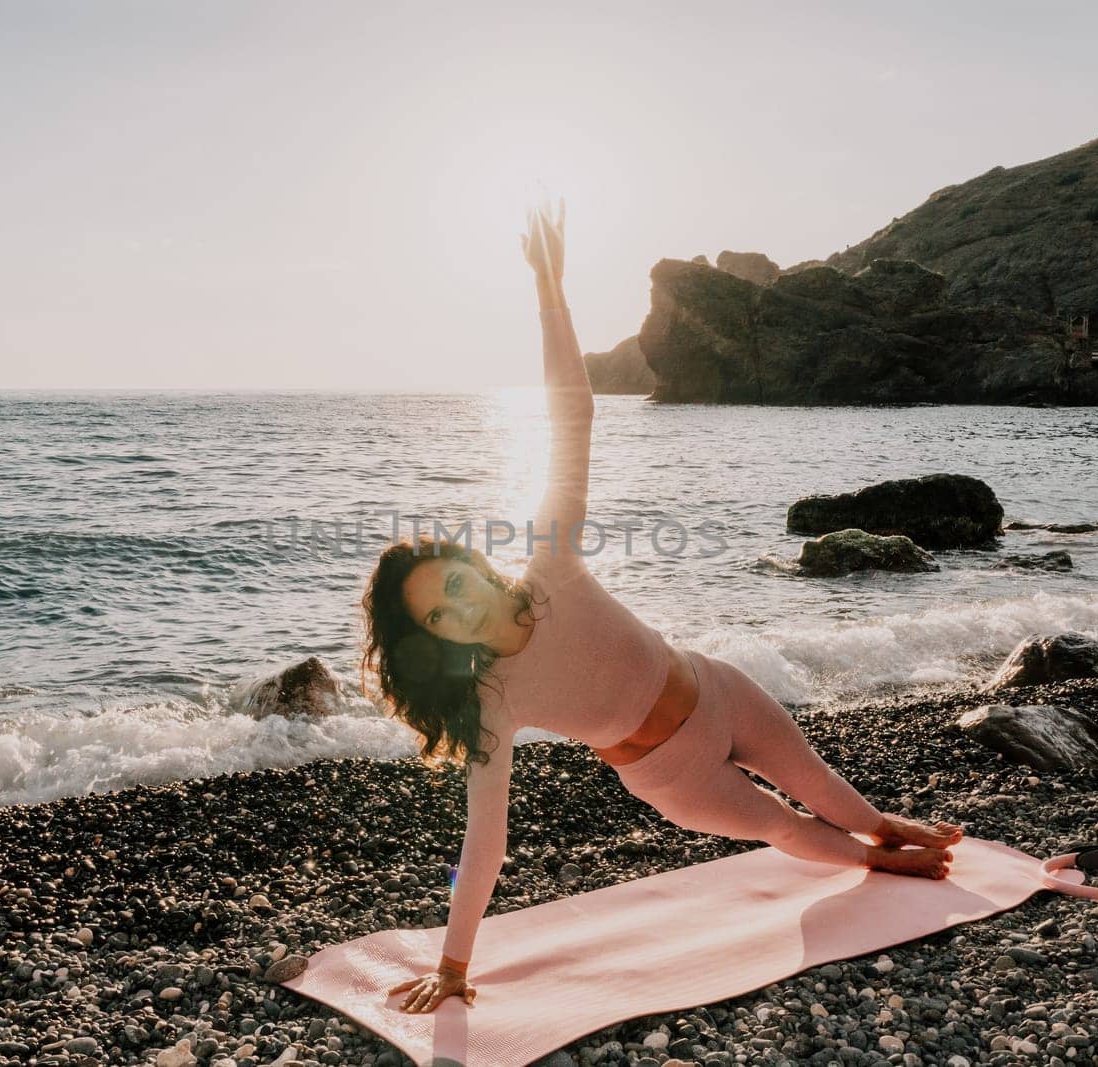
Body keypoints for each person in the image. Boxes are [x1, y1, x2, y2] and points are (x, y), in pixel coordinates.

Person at [360, 200, 963, 1015]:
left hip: (720, 690)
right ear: (432, 638)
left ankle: (882, 828)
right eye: (437, 616)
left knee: (835, 797)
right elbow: (485, 840)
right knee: (787, 830)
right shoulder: (490, 701)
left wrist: (551, 292)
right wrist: (456, 966)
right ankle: (878, 860)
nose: (458, 610)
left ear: (472, 565)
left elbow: (573, 414)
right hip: (669, 775)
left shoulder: (551, 563)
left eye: (453, 583)